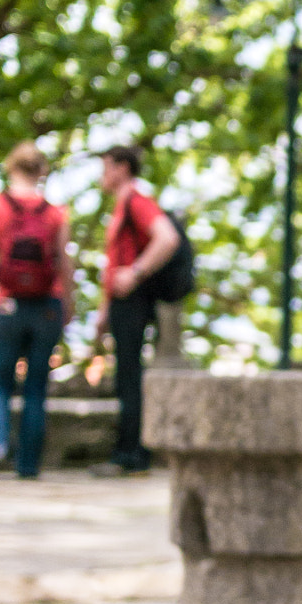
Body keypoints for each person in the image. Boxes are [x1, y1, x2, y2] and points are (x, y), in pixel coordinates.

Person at [0, 143, 75, 479]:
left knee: (1, 382)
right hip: (46, 303)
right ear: (41, 171)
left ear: (11, 167)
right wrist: (69, 304)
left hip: (7, 303)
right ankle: (28, 464)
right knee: (36, 385)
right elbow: (64, 261)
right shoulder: (56, 212)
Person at [94, 146, 180, 476]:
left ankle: (131, 454)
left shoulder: (137, 202)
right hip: (120, 302)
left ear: (123, 168)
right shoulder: (122, 206)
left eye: (106, 167)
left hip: (133, 301)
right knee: (125, 374)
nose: (102, 175)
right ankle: (128, 452)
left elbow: (167, 238)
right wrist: (104, 309)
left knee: (130, 377)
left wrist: (137, 272)